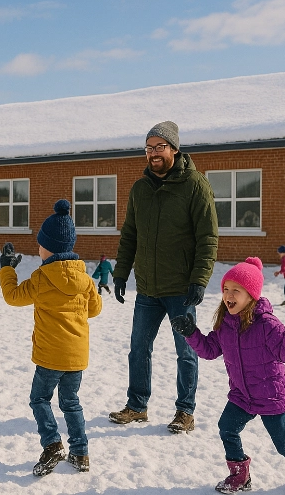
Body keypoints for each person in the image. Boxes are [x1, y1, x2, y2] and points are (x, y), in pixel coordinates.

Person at [171, 257, 285, 493]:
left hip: (271, 396)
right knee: (227, 428)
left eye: (236, 290)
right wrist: (191, 333)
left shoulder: (267, 324)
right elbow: (210, 350)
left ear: (251, 295)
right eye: (226, 289)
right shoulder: (225, 323)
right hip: (242, 395)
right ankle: (239, 475)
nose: (229, 295)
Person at [109, 120, 218, 433]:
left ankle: (185, 411)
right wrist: (120, 272)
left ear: (174, 148)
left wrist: (199, 279)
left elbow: (207, 237)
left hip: (180, 288)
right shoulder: (140, 189)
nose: (153, 153)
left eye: (159, 147)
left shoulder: (195, 185)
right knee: (138, 349)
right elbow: (130, 234)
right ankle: (137, 405)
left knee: (186, 351)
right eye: (149, 147)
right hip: (147, 288)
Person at [0, 200, 102, 477]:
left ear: (49, 248)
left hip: (49, 356)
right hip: (77, 356)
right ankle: (80, 453)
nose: (38, 249)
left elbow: (13, 296)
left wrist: (7, 268)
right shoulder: (86, 278)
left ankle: (52, 444)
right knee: (71, 402)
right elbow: (95, 309)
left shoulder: (42, 278)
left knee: (39, 399)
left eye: (40, 245)